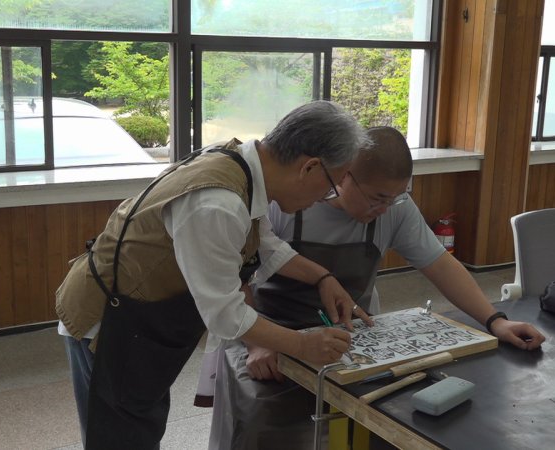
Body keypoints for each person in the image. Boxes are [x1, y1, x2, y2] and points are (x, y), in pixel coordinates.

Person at [55, 100, 371, 449]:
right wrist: (302, 345)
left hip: (138, 318)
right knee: (121, 435)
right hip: (108, 322)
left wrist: (322, 277)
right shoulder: (217, 202)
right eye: (331, 185)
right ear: (309, 167)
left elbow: (262, 241)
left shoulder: (243, 165)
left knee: (141, 420)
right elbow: (224, 314)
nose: (325, 198)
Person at [208, 126, 547, 450]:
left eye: (396, 199)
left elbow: (441, 265)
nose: (384, 209)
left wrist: (495, 320)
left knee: (392, 415)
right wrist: (257, 344)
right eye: (377, 198)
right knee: (264, 422)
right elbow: (235, 279)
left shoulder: (394, 208)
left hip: (349, 335)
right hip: (267, 333)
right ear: (344, 176)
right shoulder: (288, 202)